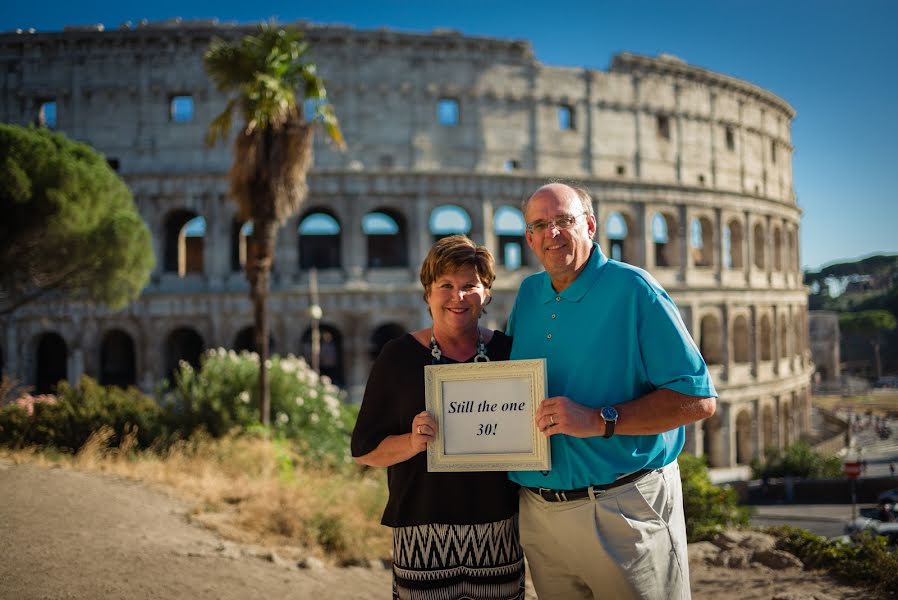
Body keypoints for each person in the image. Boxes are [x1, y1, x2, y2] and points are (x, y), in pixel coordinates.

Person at [506, 182, 718, 600]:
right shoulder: (529, 294)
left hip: (622, 508)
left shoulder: (635, 290)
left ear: (589, 225)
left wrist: (601, 419)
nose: (553, 233)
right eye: (540, 224)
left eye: (564, 220)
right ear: (529, 237)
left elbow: (698, 400)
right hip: (539, 514)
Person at [351, 234, 525, 600]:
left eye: (469, 286)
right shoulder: (397, 357)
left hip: (498, 531)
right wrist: (413, 443)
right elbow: (365, 452)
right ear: (428, 293)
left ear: (487, 292)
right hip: (422, 532)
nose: (457, 297)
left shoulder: (511, 355)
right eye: (445, 285)